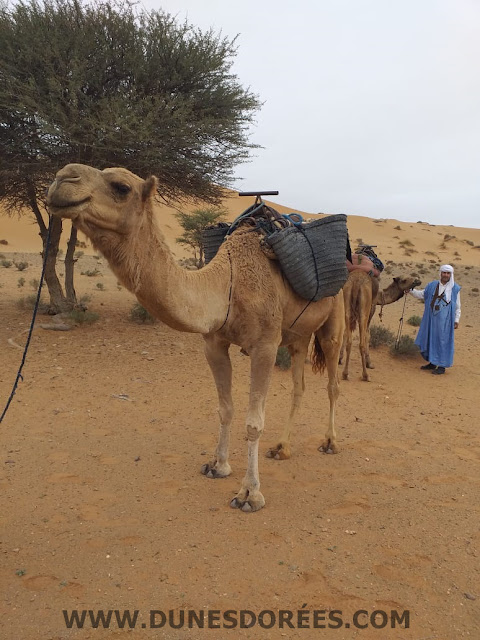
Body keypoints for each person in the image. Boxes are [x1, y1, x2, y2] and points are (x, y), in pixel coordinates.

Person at [406, 264, 461, 375]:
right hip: (431, 319)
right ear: (440, 273)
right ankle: (432, 362)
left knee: (442, 341)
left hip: (445, 322)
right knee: (430, 339)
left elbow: (458, 306)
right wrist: (411, 291)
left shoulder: (455, 289)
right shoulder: (432, 285)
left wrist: (456, 320)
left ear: (451, 275)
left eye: (448, 273)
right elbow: (422, 294)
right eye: (444, 272)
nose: (445, 275)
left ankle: (441, 366)